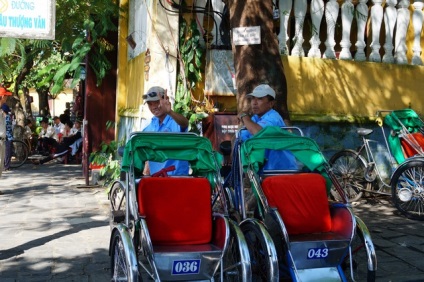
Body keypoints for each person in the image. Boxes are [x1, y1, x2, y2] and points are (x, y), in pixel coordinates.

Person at [238, 84, 298, 171]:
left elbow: (257, 132)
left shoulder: (274, 117)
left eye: (259, 99)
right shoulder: (255, 119)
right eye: (252, 98)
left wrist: (244, 116)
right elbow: (239, 138)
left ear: (271, 103)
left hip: (279, 171)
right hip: (261, 171)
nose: (254, 102)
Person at [142, 86, 189, 175]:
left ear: (165, 100)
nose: (154, 107)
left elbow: (185, 123)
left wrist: (170, 111)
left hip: (177, 178)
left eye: (156, 102)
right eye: (150, 104)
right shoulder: (149, 126)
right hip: (156, 179)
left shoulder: (175, 121)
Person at [1, 104, 13, 171]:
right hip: (5, 137)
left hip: (8, 137)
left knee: (7, 153)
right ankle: (5, 165)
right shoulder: (5, 117)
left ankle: (7, 166)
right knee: (5, 152)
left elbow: (5, 127)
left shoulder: (7, 117)